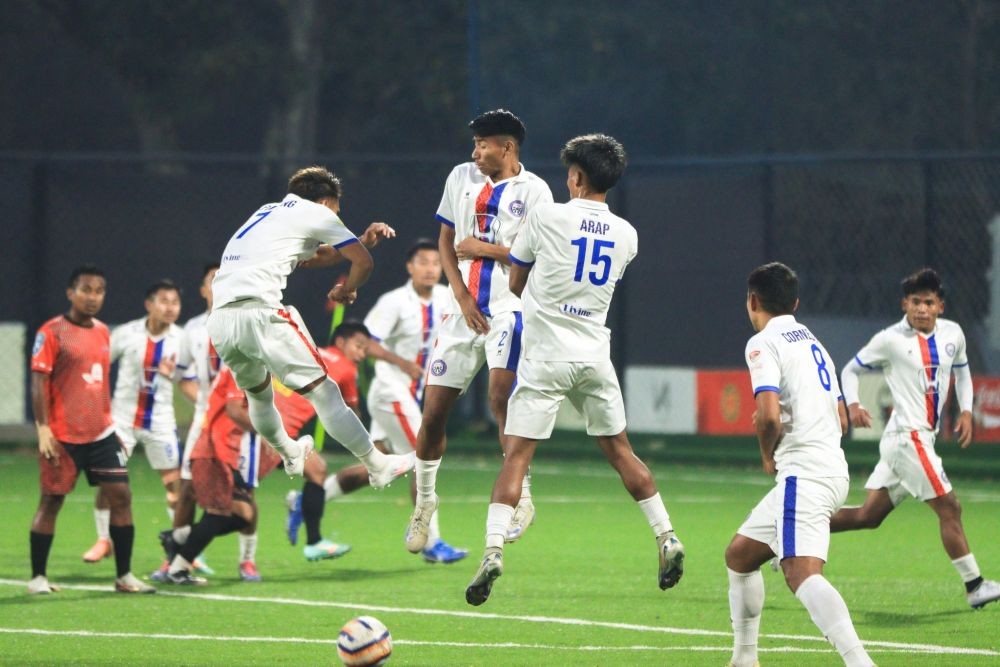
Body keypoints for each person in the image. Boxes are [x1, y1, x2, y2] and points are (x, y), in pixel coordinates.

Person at [465, 133, 683, 606]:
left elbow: (517, 282)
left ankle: (493, 549)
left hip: (546, 357)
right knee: (621, 451)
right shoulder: (628, 234)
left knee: (516, 457)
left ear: (578, 176)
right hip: (594, 357)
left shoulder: (547, 215)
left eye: (569, 172)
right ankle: (666, 536)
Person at [205, 166, 414, 489]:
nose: (336, 218)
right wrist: (347, 288)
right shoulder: (317, 213)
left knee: (259, 397)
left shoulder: (268, 212)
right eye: (337, 212)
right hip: (262, 314)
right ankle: (377, 464)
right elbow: (363, 262)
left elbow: (313, 257)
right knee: (325, 392)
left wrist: (359, 241)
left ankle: (289, 452)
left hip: (222, 321)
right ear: (326, 202)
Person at [405, 109, 553, 555]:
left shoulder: (536, 191)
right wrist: (462, 298)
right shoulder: (460, 177)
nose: (475, 153)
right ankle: (425, 501)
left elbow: (538, 257)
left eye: (482, 145)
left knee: (500, 398)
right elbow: (446, 242)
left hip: (509, 309)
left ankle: (522, 496)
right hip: (461, 312)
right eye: (474, 145)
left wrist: (485, 248)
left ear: (506, 148)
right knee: (433, 414)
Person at [724, 262, 873, 667]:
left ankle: (860, 662)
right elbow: (842, 419)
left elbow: (769, 417)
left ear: (753, 301)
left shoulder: (762, 343)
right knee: (740, 555)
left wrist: (766, 453)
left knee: (800, 572)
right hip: (832, 468)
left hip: (803, 473)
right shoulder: (813, 342)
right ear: (795, 303)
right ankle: (744, 659)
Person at [833, 267, 1000, 610]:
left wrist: (966, 411)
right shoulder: (890, 340)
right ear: (904, 305)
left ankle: (791, 535)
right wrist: (853, 404)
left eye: (928, 302)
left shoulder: (953, 333)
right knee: (950, 507)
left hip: (915, 439)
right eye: (915, 302)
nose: (921, 309)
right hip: (908, 438)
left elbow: (963, 372)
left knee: (868, 517)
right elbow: (850, 369)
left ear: (940, 306)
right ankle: (975, 585)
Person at [289, 242, 467, 563]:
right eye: (423, 262)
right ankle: (430, 541)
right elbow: (366, 343)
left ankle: (307, 502)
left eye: (435, 263)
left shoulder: (447, 297)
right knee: (425, 454)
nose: (430, 268)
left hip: (410, 394)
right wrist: (403, 364)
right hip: (390, 391)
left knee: (377, 462)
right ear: (409, 267)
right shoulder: (394, 302)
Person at [28, 265, 155, 594]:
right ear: (71, 293)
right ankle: (38, 578)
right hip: (62, 435)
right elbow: (38, 381)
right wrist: (43, 428)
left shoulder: (102, 332)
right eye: (86, 290)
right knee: (51, 502)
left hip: (101, 433)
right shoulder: (52, 332)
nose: (93, 297)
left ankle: (124, 576)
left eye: (99, 291)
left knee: (121, 497)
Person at [162, 365, 346, 584]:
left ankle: (177, 537)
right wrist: (270, 434)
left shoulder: (250, 366)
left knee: (244, 515)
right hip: (214, 451)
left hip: (229, 452)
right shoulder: (238, 367)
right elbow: (234, 410)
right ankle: (178, 569)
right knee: (219, 514)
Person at [82, 279, 196, 564]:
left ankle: (179, 546)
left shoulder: (183, 339)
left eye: (175, 302)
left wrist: (176, 376)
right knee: (109, 481)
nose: (171, 308)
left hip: (160, 423)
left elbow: (190, 379)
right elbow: (98, 365)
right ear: (149, 304)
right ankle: (103, 540)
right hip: (122, 422)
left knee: (174, 486)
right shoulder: (126, 333)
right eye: (164, 301)